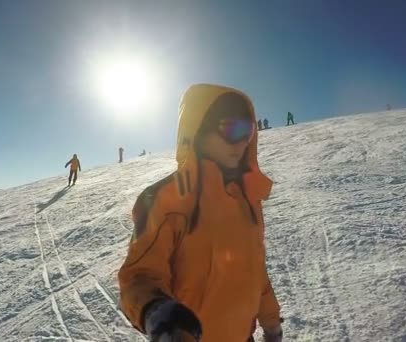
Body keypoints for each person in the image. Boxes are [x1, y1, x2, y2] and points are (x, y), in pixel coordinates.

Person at [118, 84, 283, 342]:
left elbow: (255, 270)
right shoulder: (166, 199)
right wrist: (155, 311)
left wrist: (272, 323)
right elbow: (139, 276)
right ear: (198, 130)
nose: (241, 141)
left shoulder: (248, 199)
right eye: (231, 129)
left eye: (247, 131)